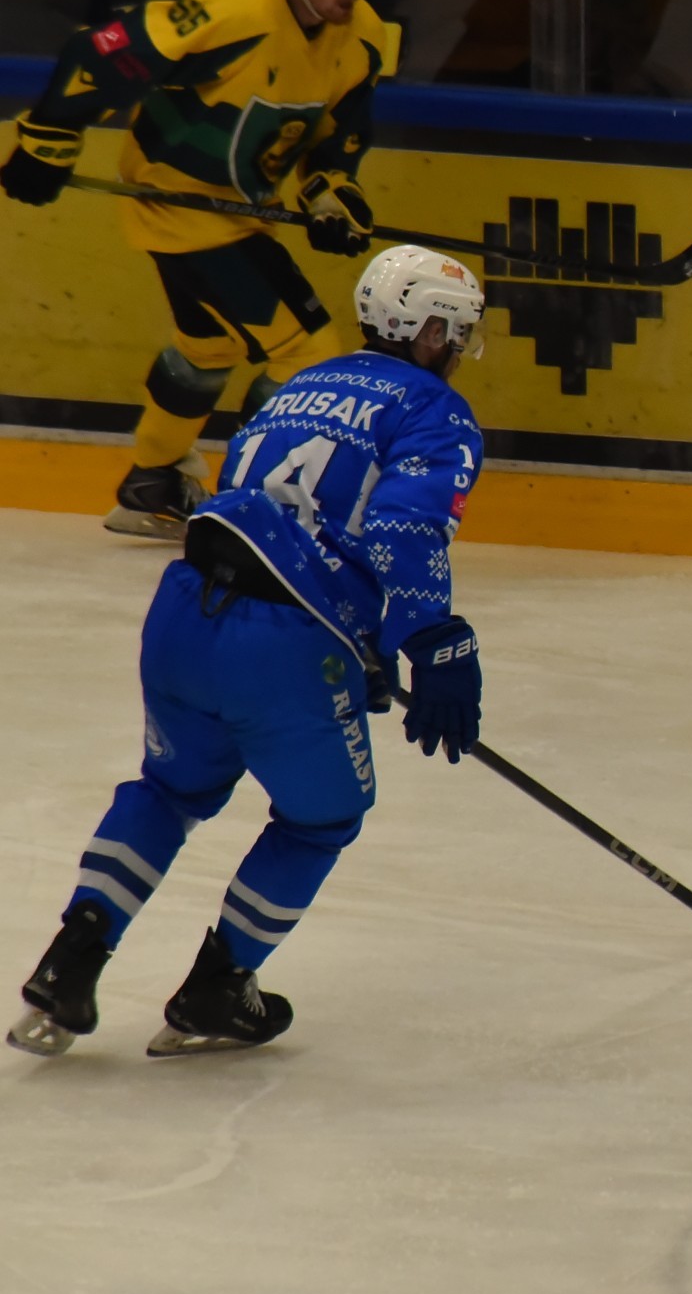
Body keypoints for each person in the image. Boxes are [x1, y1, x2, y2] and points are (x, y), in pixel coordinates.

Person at [8, 245, 489, 1059]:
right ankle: (217, 988)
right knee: (322, 817)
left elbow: (257, 503)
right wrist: (434, 643)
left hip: (185, 612)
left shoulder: (302, 385)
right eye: (457, 333)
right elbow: (403, 529)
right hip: (284, 649)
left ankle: (68, 964)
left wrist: (364, 641)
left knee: (168, 791)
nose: (458, 350)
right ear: (432, 330)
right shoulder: (433, 409)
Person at [0, 0, 395, 539]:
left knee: (208, 348)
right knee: (306, 352)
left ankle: (153, 483)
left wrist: (331, 196)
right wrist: (48, 140)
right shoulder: (231, 11)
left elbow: (335, 143)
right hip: (180, 208)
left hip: (242, 213)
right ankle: (253, 505)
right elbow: (99, 54)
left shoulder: (363, 37)